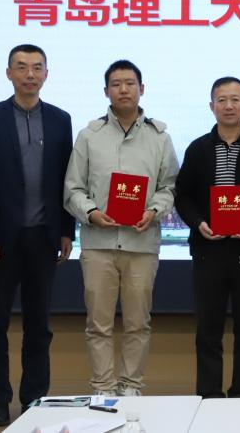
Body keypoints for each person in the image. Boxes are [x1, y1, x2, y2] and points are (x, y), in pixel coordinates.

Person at [0, 44, 74, 427]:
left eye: (37, 67)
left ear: (46, 74)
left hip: (43, 237)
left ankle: (34, 398)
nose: (30, 74)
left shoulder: (60, 120)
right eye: (22, 67)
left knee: (38, 326)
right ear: (8, 73)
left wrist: (66, 230)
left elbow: (66, 180)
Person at [63, 60, 178, 397]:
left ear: (142, 89)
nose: (123, 89)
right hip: (98, 244)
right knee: (98, 323)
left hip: (141, 245)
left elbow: (169, 186)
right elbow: (72, 188)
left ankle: (131, 385)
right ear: (106, 91)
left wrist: (154, 210)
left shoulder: (160, 137)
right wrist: (91, 212)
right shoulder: (89, 136)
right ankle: (103, 386)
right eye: (116, 84)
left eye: (130, 83)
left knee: (137, 323)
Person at [174, 76, 240, 398]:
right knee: (208, 329)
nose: (229, 106)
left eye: (235, 99)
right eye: (222, 100)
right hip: (208, 251)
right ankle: (209, 394)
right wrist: (199, 223)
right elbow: (183, 196)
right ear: (212, 106)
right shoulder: (198, 149)